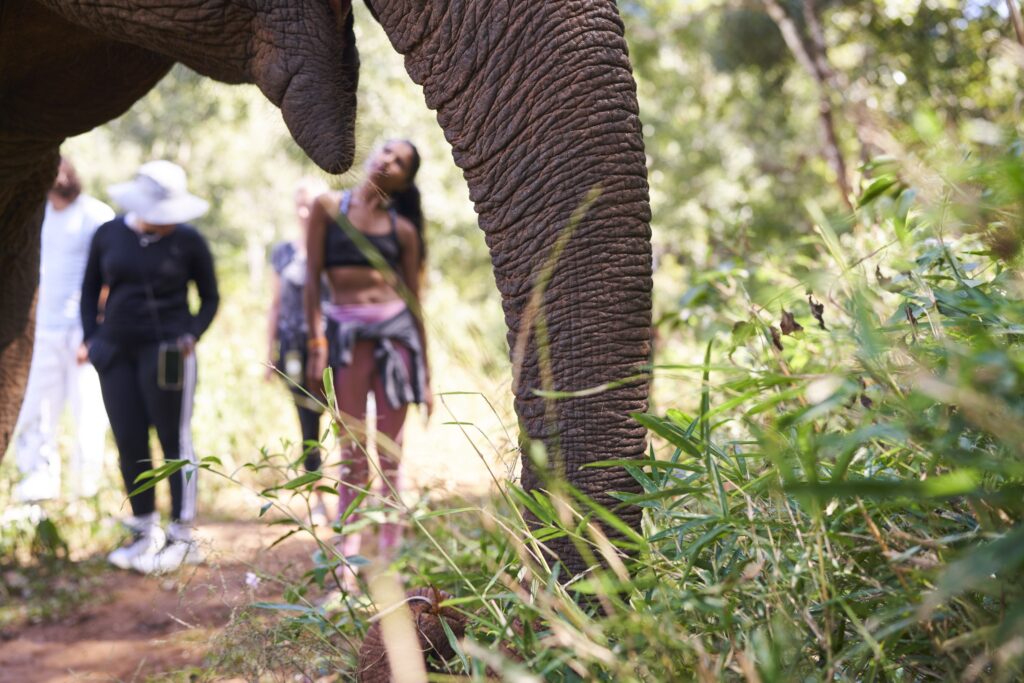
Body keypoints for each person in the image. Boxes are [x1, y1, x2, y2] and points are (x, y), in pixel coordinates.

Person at [81, 160, 219, 574]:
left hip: (167, 355)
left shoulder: (190, 241)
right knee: (129, 440)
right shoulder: (108, 235)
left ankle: (182, 535)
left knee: (174, 440)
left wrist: (190, 335)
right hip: (115, 353)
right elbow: (89, 291)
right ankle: (145, 532)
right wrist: (93, 339)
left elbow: (210, 298)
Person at [305, 140, 432, 585]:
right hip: (345, 341)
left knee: (391, 456)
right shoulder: (327, 208)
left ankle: (390, 561)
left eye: (400, 161)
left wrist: (427, 377)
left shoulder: (403, 232)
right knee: (352, 453)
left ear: (405, 179)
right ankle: (347, 563)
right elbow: (311, 278)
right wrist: (316, 342)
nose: (388, 161)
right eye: (385, 152)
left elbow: (415, 303)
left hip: (395, 343)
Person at [12, 158, 114, 505]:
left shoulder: (96, 215)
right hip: (42, 330)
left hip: (81, 332)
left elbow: (109, 279)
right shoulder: (35, 215)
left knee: (87, 412)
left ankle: (86, 494)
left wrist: (93, 334)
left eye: (61, 170)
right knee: (36, 409)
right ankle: (37, 487)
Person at [266, 178, 330, 525]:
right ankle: (317, 500)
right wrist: (269, 352)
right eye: (301, 204)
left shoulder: (336, 248)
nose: (306, 211)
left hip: (333, 348)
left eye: (313, 203)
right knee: (307, 424)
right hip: (292, 347)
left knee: (345, 421)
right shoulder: (283, 252)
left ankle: (355, 499)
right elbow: (275, 305)